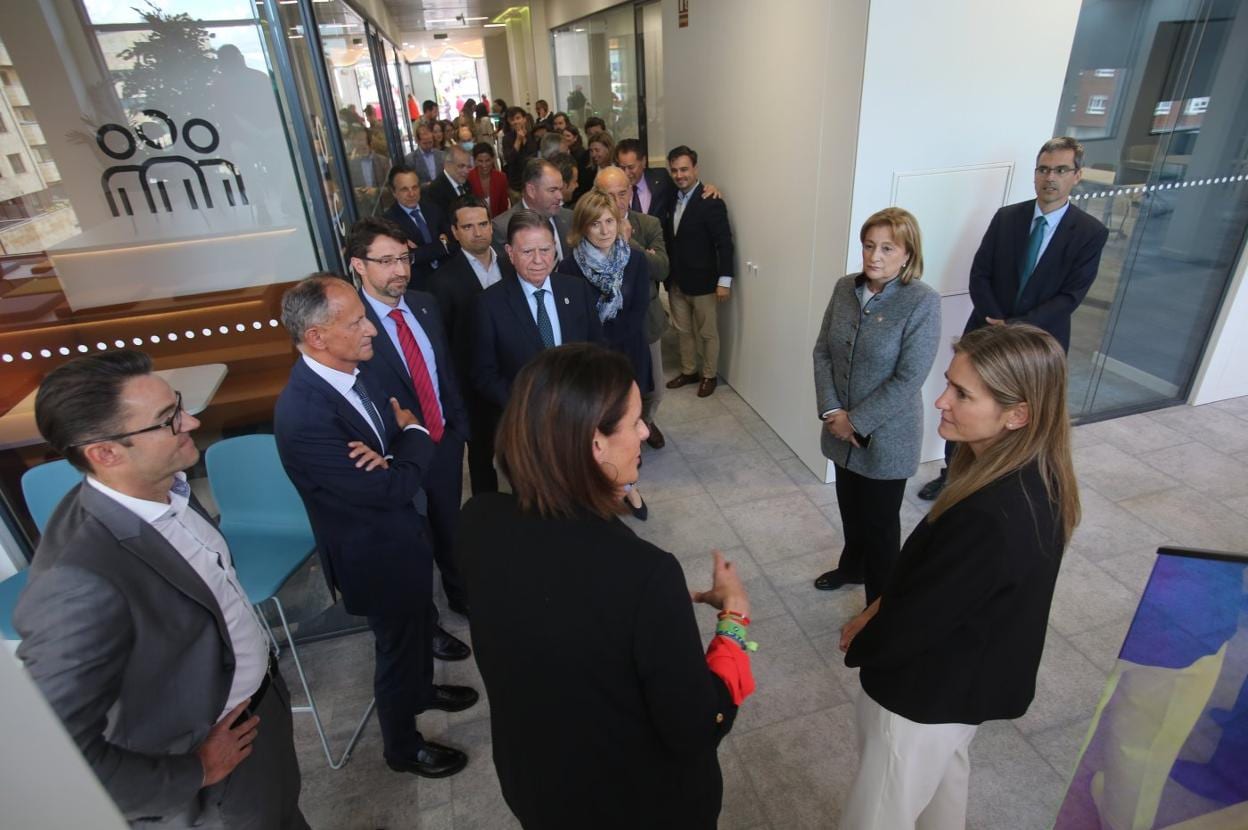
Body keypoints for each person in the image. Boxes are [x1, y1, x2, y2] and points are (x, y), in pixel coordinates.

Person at [456, 343, 757, 829]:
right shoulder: (646, 574)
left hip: (537, 788)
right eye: (635, 421)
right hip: (635, 806)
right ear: (595, 445)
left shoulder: (477, 521)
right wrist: (734, 621)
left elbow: (552, 616)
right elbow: (697, 726)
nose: (644, 432)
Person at [15, 350, 308, 828]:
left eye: (179, 406)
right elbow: (57, 750)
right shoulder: (77, 580)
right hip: (214, 791)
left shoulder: (161, 486)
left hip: (255, 720)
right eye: (168, 420)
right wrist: (192, 772)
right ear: (105, 453)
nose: (191, 422)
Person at [839, 323, 1080, 830]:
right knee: (942, 797)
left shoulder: (990, 516)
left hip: (923, 698)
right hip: (963, 691)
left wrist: (868, 637)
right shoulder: (1034, 474)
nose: (940, 401)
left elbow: (921, 619)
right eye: (948, 383)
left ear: (1018, 414)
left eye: (962, 393)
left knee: (879, 813)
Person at [274, 275, 478, 779]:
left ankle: (425, 691)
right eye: (357, 321)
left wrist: (395, 449)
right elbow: (391, 476)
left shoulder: (354, 372)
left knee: (416, 627)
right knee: (395, 651)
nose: (372, 328)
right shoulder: (305, 415)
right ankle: (402, 747)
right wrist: (410, 439)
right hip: (373, 555)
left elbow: (395, 434)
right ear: (317, 336)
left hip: (402, 536)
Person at [919, 135, 1108, 501]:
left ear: (1077, 175)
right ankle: (951, 475)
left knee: (1019, 416)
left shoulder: (1089, 233)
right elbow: (980, 273)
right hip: (985, 331)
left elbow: (1071, 295)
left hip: (1037, 344)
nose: (1049, 178)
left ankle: (996, 484)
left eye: (1060, 170)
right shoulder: (1007, 217)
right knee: (965, 401)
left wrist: (1015, 328)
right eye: (1043, 169)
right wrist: (996, 320)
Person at [811, 208, 941, 603]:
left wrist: (856, 421)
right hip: (839, 431)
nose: (875, 256)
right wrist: (833, 412)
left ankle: (880, 607)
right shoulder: (844, 289)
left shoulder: (922, 302)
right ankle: (853, 567)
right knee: (851, 511)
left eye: (887, 247)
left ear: (907, 254)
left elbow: (908, 378)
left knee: (881, 526)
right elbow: (823, 353)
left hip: (887, 437)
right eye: (869, 246)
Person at [350, 217, 474, 626]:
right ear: (358, 266)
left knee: (450, 525)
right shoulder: (352, 327)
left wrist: (458, 429)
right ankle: (427, 622)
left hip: (444, 440)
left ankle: (461, 594)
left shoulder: (424, 303)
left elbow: (444, 371)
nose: (400, 270)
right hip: (396, 457)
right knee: (413, 542)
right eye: (386, 261)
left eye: (403, 258)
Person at [558, 189, 653, 516]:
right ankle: (599, 489)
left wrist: (613, 357)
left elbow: (639, 309)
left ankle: (629, 487)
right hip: (590, 361)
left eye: (609, 221)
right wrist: (600, 354)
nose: (604, 230)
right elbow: (575, 320)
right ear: (582, 227)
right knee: (595, 430)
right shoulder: (568, 267)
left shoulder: (636, 260)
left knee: (627, 426)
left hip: (628, 357)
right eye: (595, 223)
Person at [473, 210, 603, 408]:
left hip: (578, 413)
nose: (538, 260)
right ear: (510, 253)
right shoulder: (489, 304)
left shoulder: (577, 290)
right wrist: (525, 407)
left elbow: (597, 349)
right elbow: (485, 375)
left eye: (545, 250)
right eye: (527, 252)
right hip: (524, 420)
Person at [430, 195, 515, 494]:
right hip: (474, 389)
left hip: (515, 379)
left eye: (483, 224)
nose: (478, 232)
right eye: (468, 226)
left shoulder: (511, 263)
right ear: (454, 231)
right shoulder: (443, 281)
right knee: (481, 459)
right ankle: (488, 519)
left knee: (523, 454)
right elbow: (445, 342)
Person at [596, 165, 671, 449]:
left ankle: (646, 423)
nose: (617, 201)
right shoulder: (592, 225)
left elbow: (662, 268)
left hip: (645, 319)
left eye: (623, 192)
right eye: (609, 194)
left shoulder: (647, 224)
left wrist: (633, 243)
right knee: (616, 389)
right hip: (608, 325)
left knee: (655, 388)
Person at [662, 145, 735, 398]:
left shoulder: (711, 200)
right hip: (676, 281)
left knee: (707, 332)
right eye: (674, 170)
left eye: (684, 169)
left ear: (695, 169)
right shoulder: (670, 196)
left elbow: (724, 243)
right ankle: (689, 370)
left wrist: (724, 281)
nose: (679, 175)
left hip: (704, 281)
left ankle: (709, 375)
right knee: (682, 330)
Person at [614, 137, 722, 218]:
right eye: (622, 167)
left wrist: (708, 188)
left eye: (631, 167)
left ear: (643, 161)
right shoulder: (613, 187)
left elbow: (684, 190)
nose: (626, 173)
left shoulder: (661, 178)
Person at [384, 164, 451, 293]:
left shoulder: (434, 208)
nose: (411, 193)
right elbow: (407, 257)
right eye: (404, 189)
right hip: (419, 287)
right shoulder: (388, 222)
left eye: (415, 187)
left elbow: (453, 240)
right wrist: (441, 245)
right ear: (393, 192)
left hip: (447, 279)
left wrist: (419, 253)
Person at [491, 157, 573, 259]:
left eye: (560, 189)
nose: (560, 196)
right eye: (552, 190)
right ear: (531, 191)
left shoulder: (569, 217)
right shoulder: (502, 228)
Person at [425, 144, 473, 216]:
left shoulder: (466, 184)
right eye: (461, 166)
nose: (466, 171)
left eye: (468, 166)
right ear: (447, 165)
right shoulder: (435, 190)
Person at [468, 141, 510, 218]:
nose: (484, 165)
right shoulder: (468, 177)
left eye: (487, 160)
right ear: (474, 161)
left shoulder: (501, 177)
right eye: (480, 161)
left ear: (493, 159)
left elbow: (504, 206)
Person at [502, 106, 538, 192]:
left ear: (524, 119)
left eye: (518, 118)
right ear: (509, 122)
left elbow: (534, 156)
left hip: (533, 181)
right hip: (516, 183)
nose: (515, 122)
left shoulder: (533, 136)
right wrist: (518, 140)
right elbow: (509, 159)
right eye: (512, 119)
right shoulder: (506, 138)